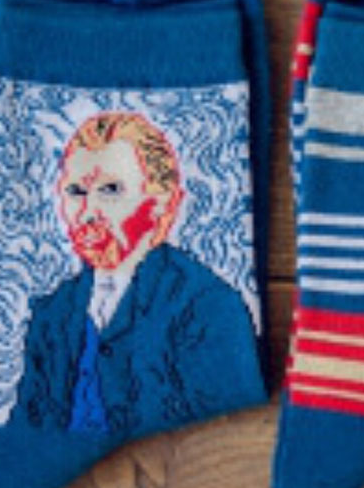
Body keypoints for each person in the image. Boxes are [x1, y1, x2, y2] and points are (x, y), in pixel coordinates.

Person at [13, 111, 259, 436]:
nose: (87, 213)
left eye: (110, 190)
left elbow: (221, 428)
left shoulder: (206, 305)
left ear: (162, 204)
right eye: (76, 192)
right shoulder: (52, 311)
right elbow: (28, 425)